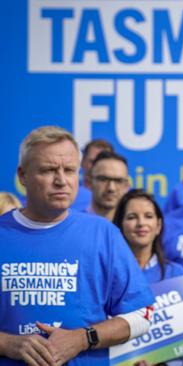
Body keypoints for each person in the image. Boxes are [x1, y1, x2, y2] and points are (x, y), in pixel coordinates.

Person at [0, 126, 153, 365]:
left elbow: (143, 316)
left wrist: (83, 339)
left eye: (69, 170)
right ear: (22, 175)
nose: (61, 180)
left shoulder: (104, 234)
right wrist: (6, 343)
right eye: (49, 170)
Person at [113, 189, 183, 366]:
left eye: (148, 216)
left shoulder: (176, 273)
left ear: (158, 225)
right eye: (132, 217)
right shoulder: (107, 276)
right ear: (120, 226)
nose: (141, 223)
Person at [87, 151, 131, 221]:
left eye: (118, 181)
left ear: (127, 186)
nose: (111, 188)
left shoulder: (134, 230)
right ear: (89, 183)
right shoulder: (75, 227)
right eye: (103, 179)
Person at [71, 139, 114, 211]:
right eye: (92, 161)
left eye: (102, 161)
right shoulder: (68, 193)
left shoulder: (123, 195)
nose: (97, 166)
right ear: (82, 162)